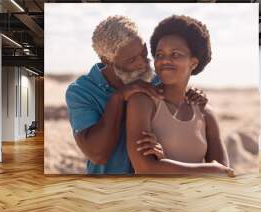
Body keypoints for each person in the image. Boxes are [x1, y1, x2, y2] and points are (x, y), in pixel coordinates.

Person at [65, 15, 207, 174]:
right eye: (132, 60)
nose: (143, 63)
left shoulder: (153, 78)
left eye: (144, 53)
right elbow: (98, 154)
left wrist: (192, 94)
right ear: (107, 60)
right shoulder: (82, 91)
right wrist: (118, 98)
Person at [126, 15, 233, 176]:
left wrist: (165, 163)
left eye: (175, 54)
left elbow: (224, 173)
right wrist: (210, 170)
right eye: (159, 54)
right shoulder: (142, 102)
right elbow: (145, 169)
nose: (164, 60)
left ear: (193, 63)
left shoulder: (206, 113)